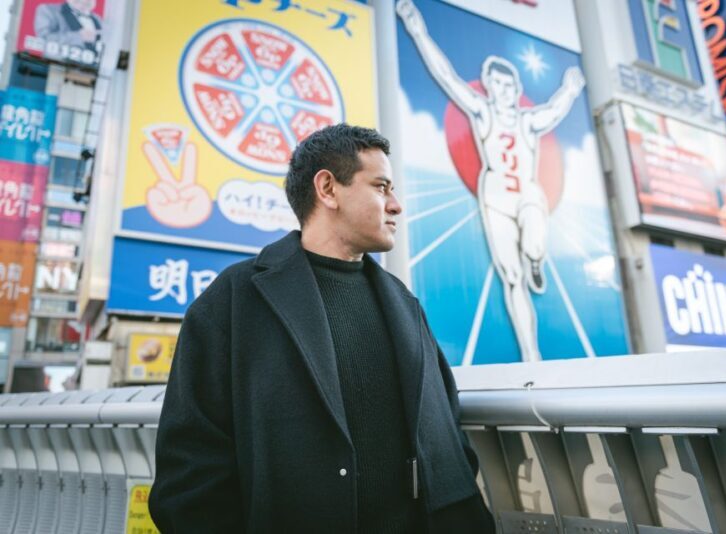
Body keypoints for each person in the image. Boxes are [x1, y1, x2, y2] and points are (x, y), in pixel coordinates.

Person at [149, 124, 494, 533]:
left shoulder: (404, 303)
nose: (396, 205)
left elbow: (449, 434)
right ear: (328, 188)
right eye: (381, 187)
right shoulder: (236, 299)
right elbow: (190, 465)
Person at [397, 0, 585, 361]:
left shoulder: (528, 121)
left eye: (508, 84)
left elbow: (555, 109)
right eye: (496, 84)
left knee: (532, 237)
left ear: (516, 89)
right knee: (512, 278)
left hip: (526, 191)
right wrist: (417, 29)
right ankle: (531, 353)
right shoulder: (482, 113)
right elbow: (447, 77)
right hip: (495, 193)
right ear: (489, 87)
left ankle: (536, 258)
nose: (503, 90)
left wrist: (571, 89)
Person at [34, 0, 102, 52]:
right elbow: (43, 39)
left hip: (90, 68)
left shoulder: (98, 19)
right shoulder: (49, 10)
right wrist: (79, 36)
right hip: (56, 65)